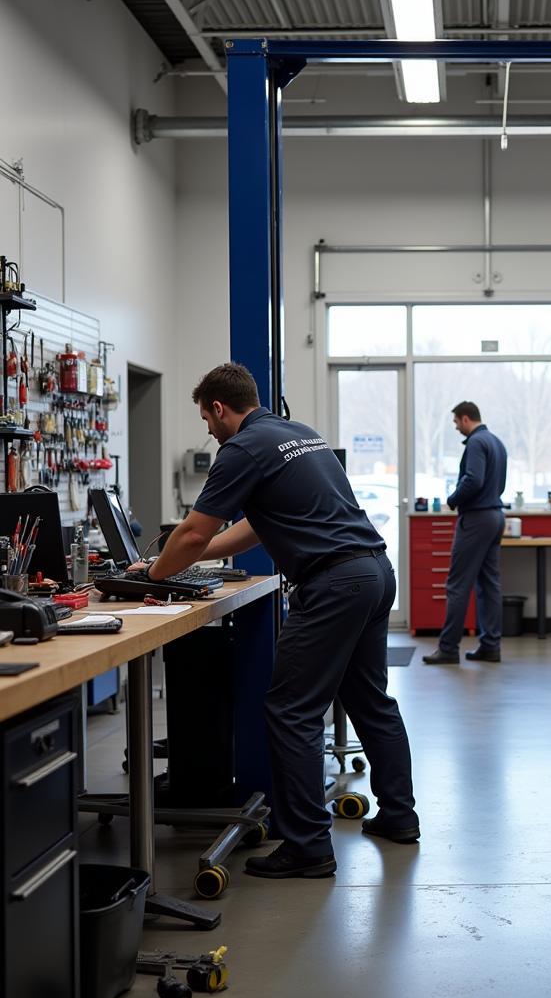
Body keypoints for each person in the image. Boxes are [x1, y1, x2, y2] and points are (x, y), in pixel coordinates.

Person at [132, 363, 420, 879]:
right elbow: (254, 528)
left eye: (205, 417)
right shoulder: (299, 435)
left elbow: (195, 533)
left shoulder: (240, 449)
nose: (207, 428)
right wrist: (186, 564)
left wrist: (155, 572)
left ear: (219, 408)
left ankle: (308, 847)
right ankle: (399, 815)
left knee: (291, 710)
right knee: (370, 701)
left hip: (333, 584)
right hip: (374, 572)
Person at [423, 402, 509, 665]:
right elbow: (499, 483)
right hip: (495, 515)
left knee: (457, 585)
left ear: (465, 418)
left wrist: (452, 499)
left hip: (476, 519)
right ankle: (490, 646)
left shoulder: (475, 442)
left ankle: (448, 648)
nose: (456, 427)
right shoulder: (496, 442)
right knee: (488, 584)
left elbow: (473, 479)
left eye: (456, 422)